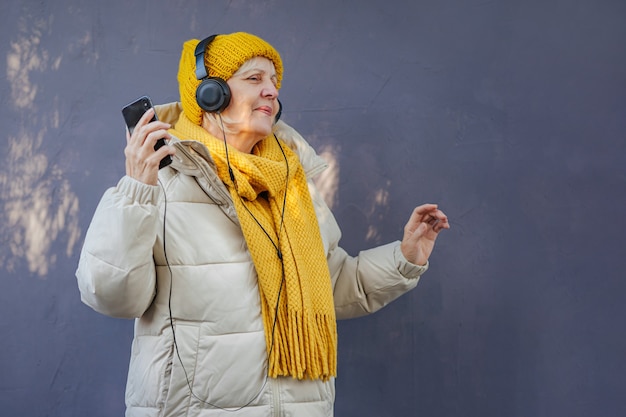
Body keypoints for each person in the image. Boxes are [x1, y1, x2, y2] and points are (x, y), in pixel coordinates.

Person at [76, 32, 449, 417]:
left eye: (274, 82)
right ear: (210, 94)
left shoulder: (292, 183)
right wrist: (137, 191)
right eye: (254, 79)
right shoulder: (159, 184)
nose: (271, 91)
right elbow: (113, 296)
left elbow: (332, 285)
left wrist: (405, 257)